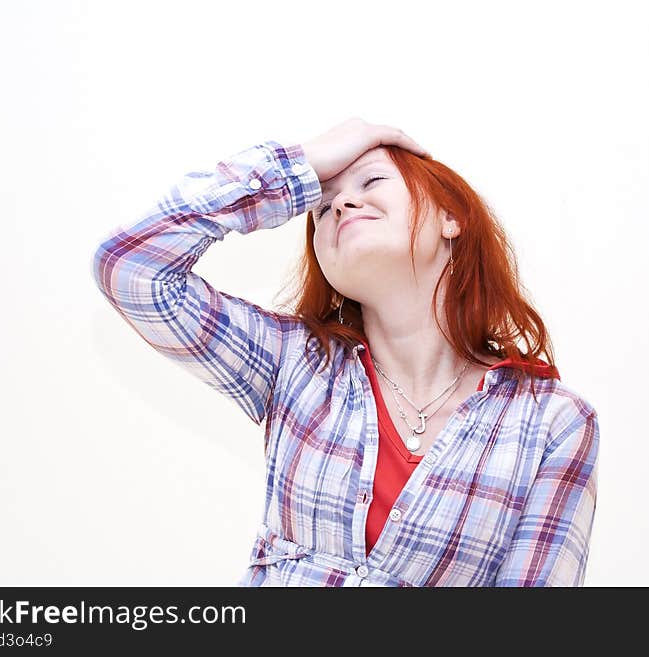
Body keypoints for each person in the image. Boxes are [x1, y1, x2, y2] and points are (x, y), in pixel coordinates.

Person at [92, 118, 600, 586]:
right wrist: (302, 163)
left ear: (452, 217)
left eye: (372, 183)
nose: (339, 205)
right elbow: (132, 266)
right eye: (320, 203)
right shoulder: (293, 362)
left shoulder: (553, 424)